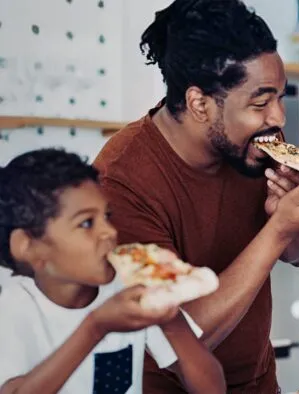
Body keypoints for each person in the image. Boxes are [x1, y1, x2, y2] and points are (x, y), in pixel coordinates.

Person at [93, 0, 299, 392]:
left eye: (281, 97)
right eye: (261, 101)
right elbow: (180, 343)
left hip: (258, 382)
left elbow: (298, 253)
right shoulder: (120, 181)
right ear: (200, 104)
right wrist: (279, 229)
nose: (279, 118)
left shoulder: (258, 144)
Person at [0, 148, 225, 394]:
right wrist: (95, 328)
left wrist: (170, 321)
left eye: (107, 216)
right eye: (86, 223)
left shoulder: (130, 287)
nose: (110, 232)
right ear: (29, 247)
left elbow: (212, 389)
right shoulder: (13, 308)